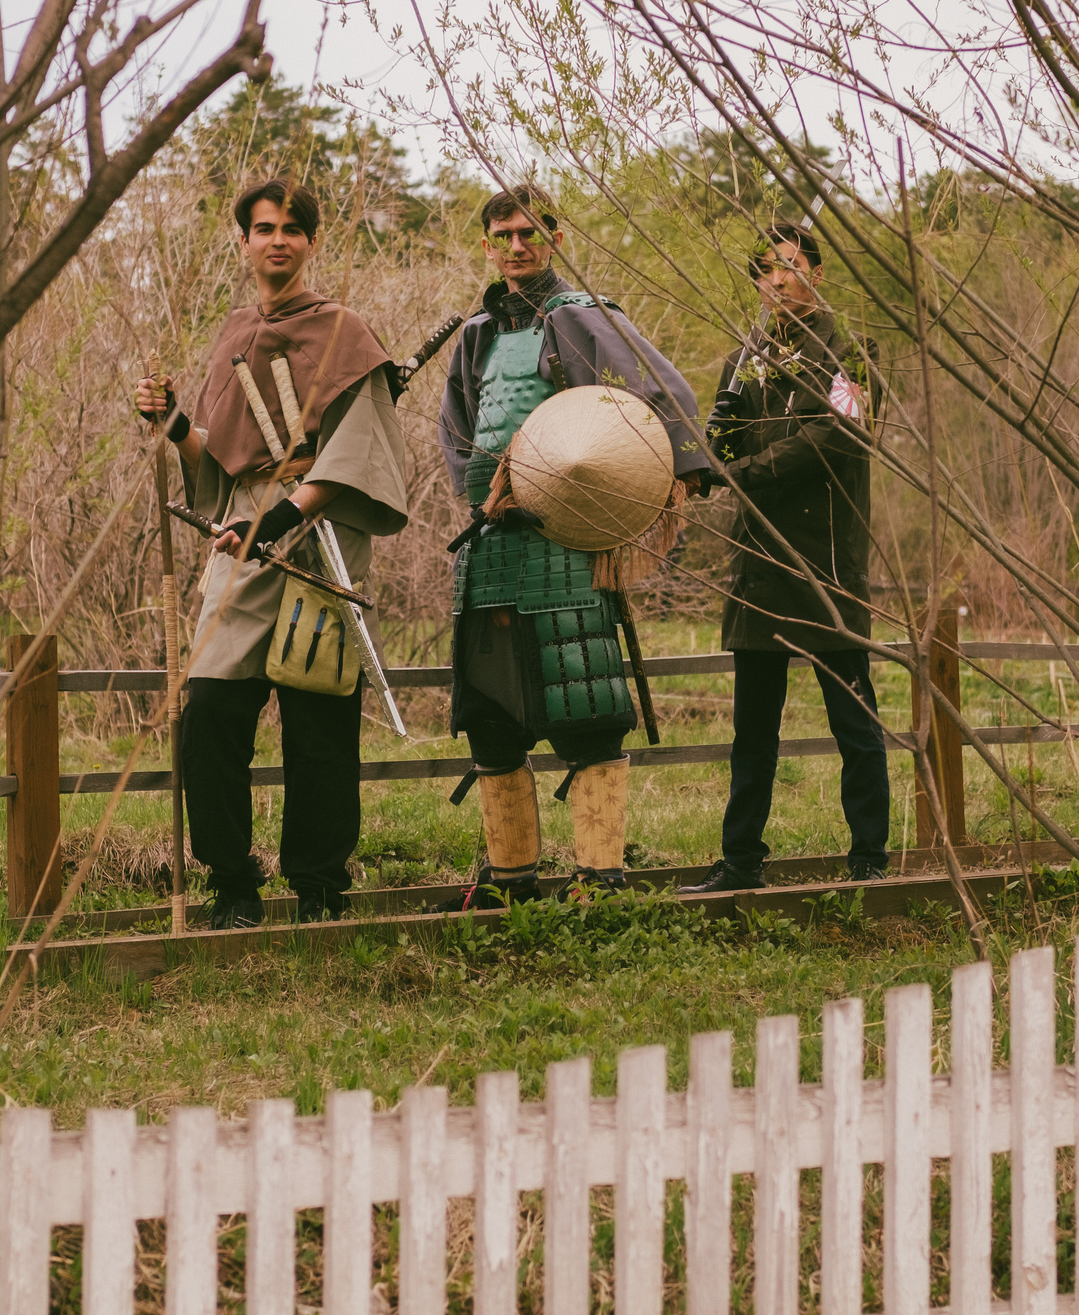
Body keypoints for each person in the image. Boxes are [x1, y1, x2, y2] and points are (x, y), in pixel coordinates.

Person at [134, 180, 410, 928]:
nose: (278, 239)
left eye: (293, 228)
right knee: (211, 712)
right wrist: (174, 423)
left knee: (320, 723)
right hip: (240, 541)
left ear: (312, 242)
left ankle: (319, 886)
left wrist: (286, 513)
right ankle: (233, 884)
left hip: (319, 540)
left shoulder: (347, 333)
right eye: (263, 228)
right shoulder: (233, 334)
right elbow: (218, 462)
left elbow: (356, 454)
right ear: (243, 242)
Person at [438, 184, 712, 905]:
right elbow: (458, 432)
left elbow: (662, 392)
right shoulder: (475, 333)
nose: (517, 246)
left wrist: (669, 477)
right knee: (492, 724)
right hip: (489, 550)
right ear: (489, 245)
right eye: (503, 235)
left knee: (587, 713)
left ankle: (598, 879)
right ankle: (512, 886)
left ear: (555, 238)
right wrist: (480, 495)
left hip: (567, 542)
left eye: (530, 232)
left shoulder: (584, 316)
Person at [681, 224, 890, 894]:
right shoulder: (746, 354)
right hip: (760, 559)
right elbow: (723, 433)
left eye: (789, 267)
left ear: (818, 274)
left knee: (853, 719)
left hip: (826, 561)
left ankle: (869, 858)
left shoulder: (851, 351)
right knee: (754, 729)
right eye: (765, 270)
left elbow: (838, 436)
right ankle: (741, 860)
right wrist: (707, 450)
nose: (775, 281)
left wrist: (744, 472)